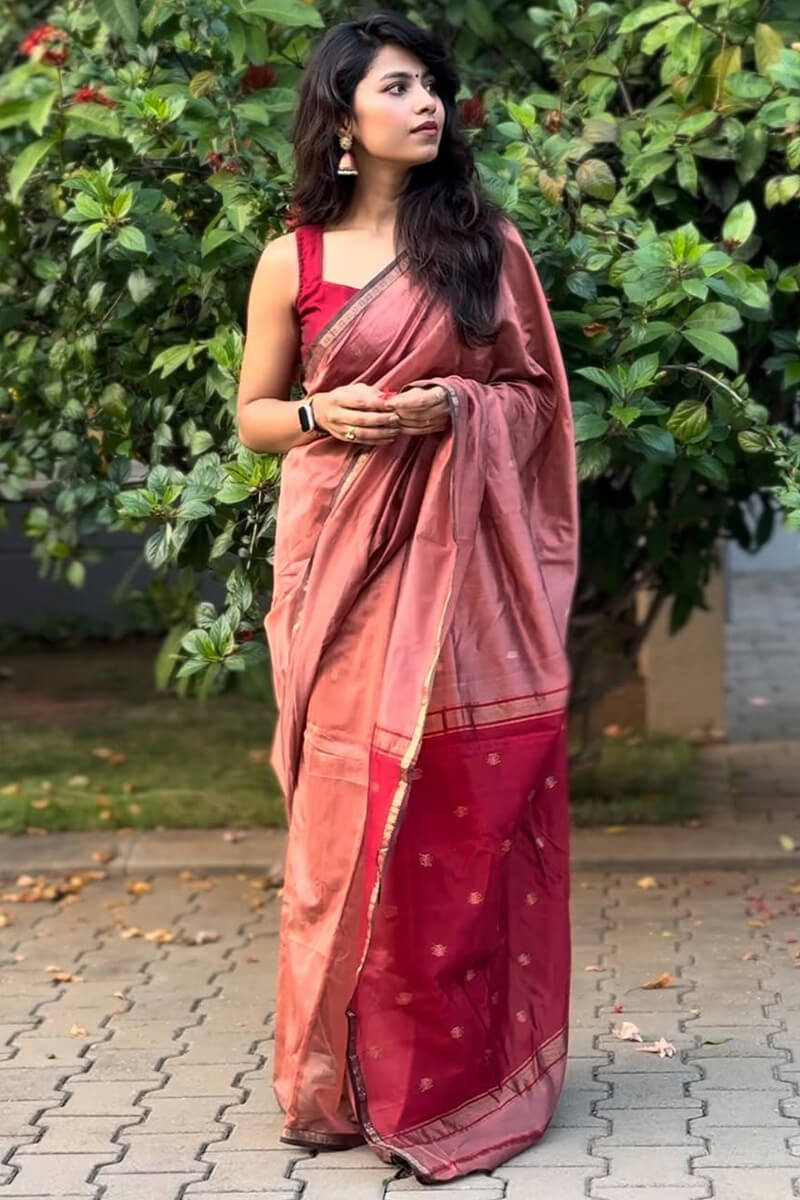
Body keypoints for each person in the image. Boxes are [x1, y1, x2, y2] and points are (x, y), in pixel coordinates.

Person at [236, 9, 578, 1185]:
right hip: (335, 570)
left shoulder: (486, 247)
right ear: (341, 119)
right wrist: (331, 415)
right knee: (341, 826)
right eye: (398, 85)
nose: (428, 102)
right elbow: (255, 419)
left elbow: (532, 398)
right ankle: (336, 1078)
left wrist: (456, 410)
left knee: (452, 818)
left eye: (434, 85)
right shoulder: (295, 259)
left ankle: (444, 1077)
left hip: (459, 585)